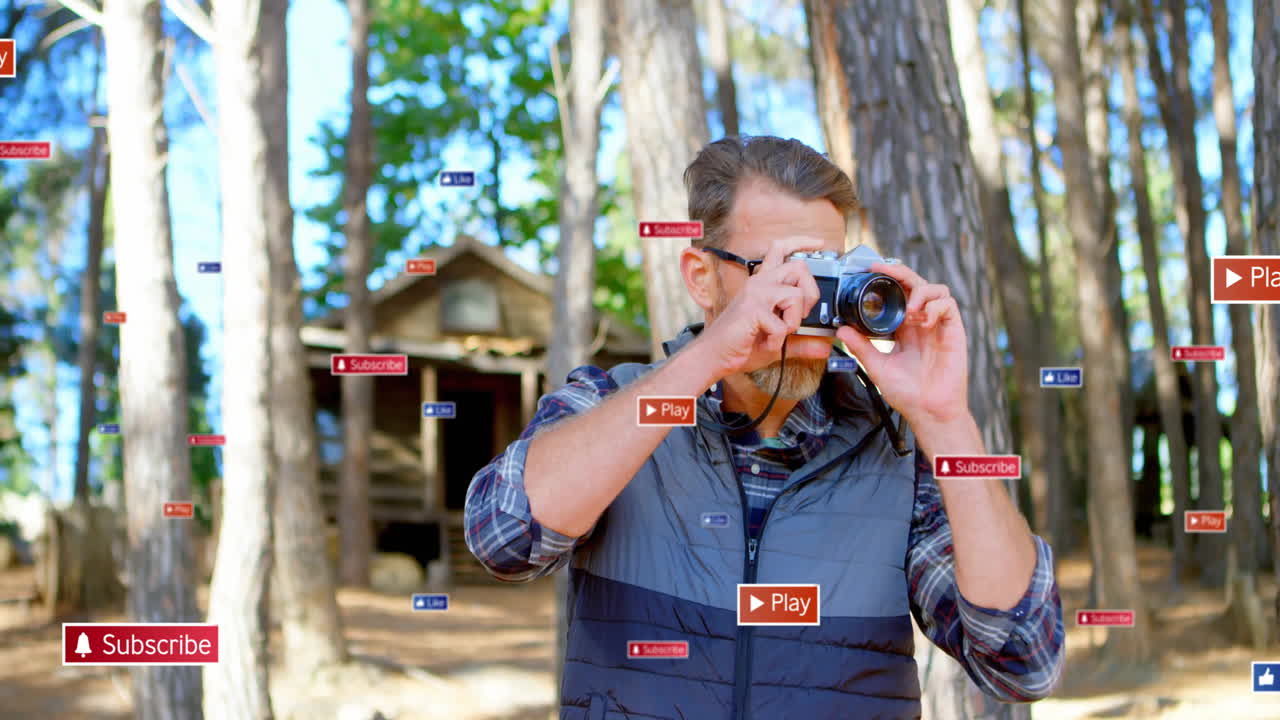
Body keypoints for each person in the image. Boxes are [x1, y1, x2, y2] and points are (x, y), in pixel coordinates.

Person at [465, 136, 1064, 719]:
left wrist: (945, 419)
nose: (805, 304)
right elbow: (503, 537)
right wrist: (708, 361)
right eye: (781, 271)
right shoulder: (611, 405)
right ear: (701, 278)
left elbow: (1021, 659)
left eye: (825, 272)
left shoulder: (895, 457)